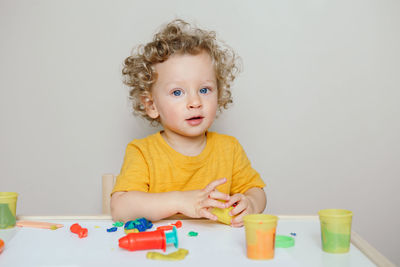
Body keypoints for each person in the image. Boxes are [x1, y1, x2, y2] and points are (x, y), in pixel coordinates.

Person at [111, 19, 266, 227]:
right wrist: (180, 201)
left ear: (218, 94)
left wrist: (251, 204)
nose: (195, 102)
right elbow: (120, 208)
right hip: (162, 252)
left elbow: (256, 191)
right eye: (177, 92)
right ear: (151, 105)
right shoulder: (142, 152)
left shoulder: (230, 149)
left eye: (204, 90)